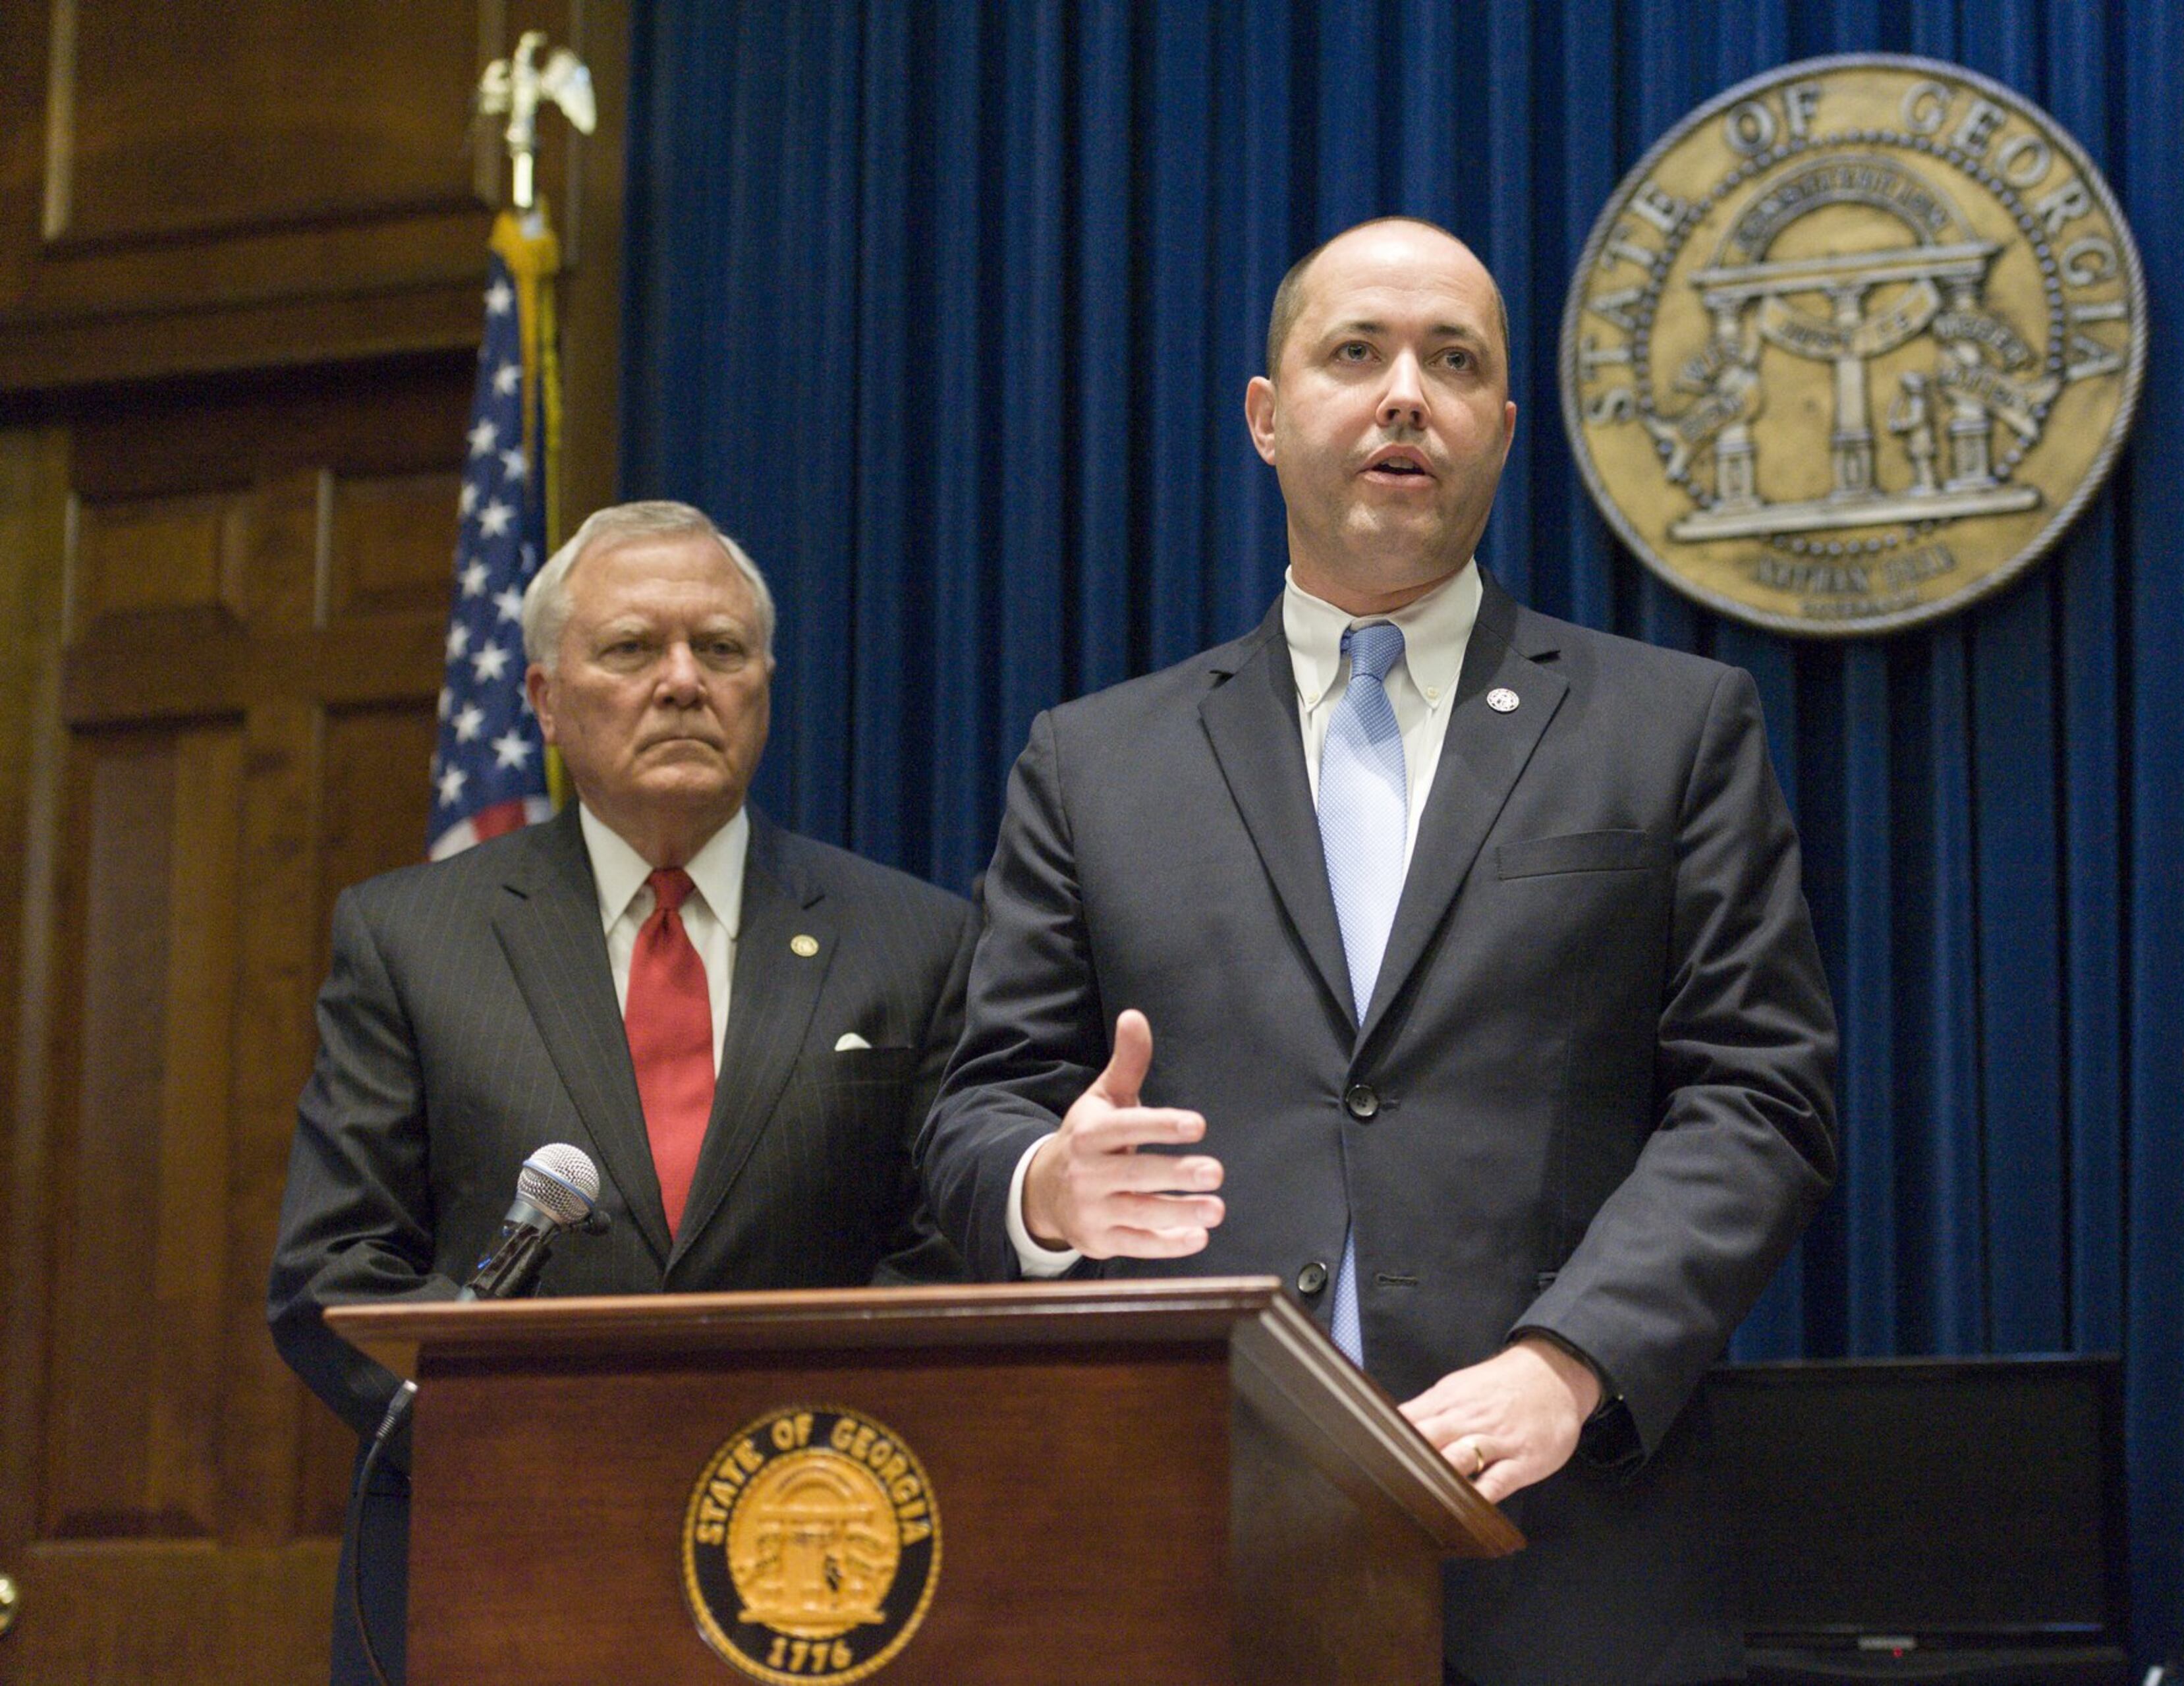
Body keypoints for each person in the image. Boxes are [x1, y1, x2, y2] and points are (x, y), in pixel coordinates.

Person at [918, 217, 1839, 1686]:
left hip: (1565, 1553)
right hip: (1185, 1550)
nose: (1406, 392)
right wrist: (1044, 1183)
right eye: (1357, 352)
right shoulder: (1094, 762)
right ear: (1269, 418)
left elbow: (1762, 1095)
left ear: (1503, 429)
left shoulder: (1672, 728)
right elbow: (977, 1108)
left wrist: (1575, 1358)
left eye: (1453, 360)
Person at [268, 500, 974, 1685]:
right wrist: (545, 1438)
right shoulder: (411, 936)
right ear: (544, 697)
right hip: (491, 1550)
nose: (684, 682)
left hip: (815, 1547)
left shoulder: (915, 939)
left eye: (723, 650)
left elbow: (946, 1254)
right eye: (633, 650)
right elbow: (333, 1276)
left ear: (764, 683)